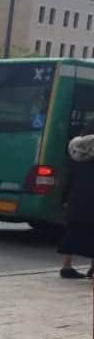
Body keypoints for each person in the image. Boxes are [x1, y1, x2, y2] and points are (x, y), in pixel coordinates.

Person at [59, 117, 94, 279]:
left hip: (76, 197)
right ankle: (92, 268)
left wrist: (63, 199)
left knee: (71, 231)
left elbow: (68, 178)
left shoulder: (75, 150)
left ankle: (66, 267)